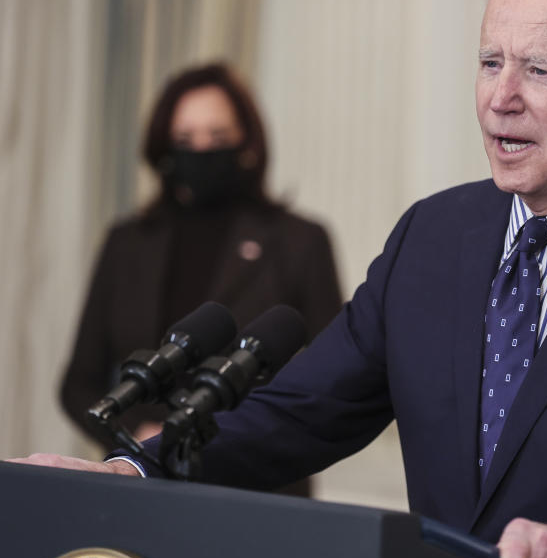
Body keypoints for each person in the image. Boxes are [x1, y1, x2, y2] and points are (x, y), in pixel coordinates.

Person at [19, 0, 547, 558]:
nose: (500, 98)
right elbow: (301, 413)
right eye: (491, 62)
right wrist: (139, 472)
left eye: (539, 71)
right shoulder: (434, 235)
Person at [58, 63, 343, 496]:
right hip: (140, 487)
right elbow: (79, 383)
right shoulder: (127, 242)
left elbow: (333, 379)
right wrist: (143, 432)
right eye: (186, 140)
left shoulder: (299, 241)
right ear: (165, 148)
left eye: (218, 138)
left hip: (259, 492)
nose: (202, 151)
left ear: (247, 143)